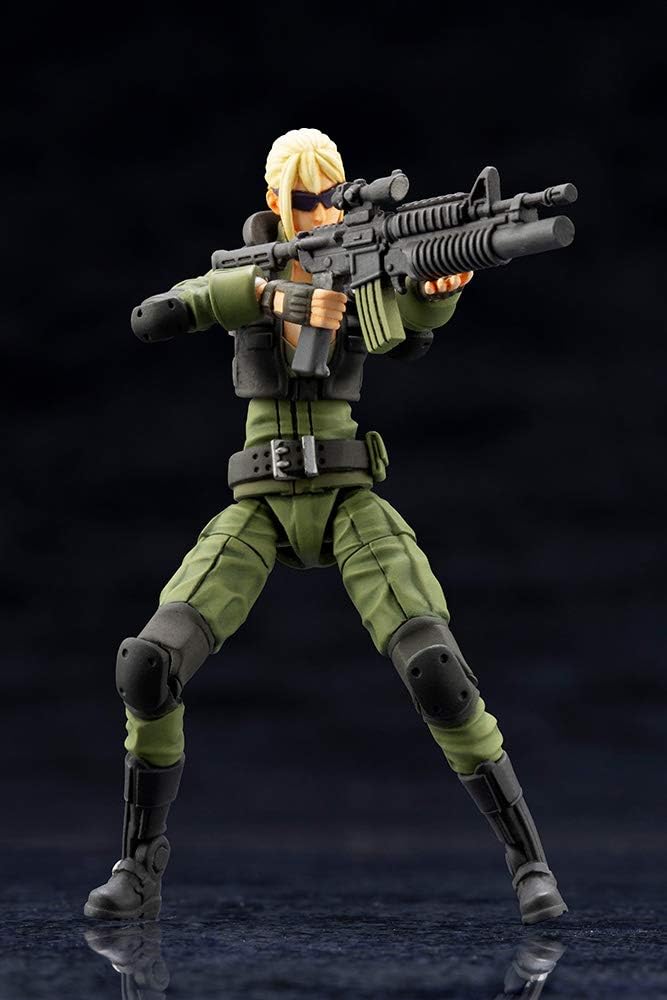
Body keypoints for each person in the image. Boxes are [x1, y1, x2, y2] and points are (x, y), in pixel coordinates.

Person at [84, 128, 567, 925]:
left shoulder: (357, 255)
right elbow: (155, 314)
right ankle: (138, 867)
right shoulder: (250, 270)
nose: (320, 212)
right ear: (274, 202)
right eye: (306, 200)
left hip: (347, 497)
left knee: (436, 670)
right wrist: (268, 296)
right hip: (257, 507)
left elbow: (405, 329)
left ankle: (530, 865)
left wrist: (439, 286)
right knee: (146, 666)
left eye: (331, 197)